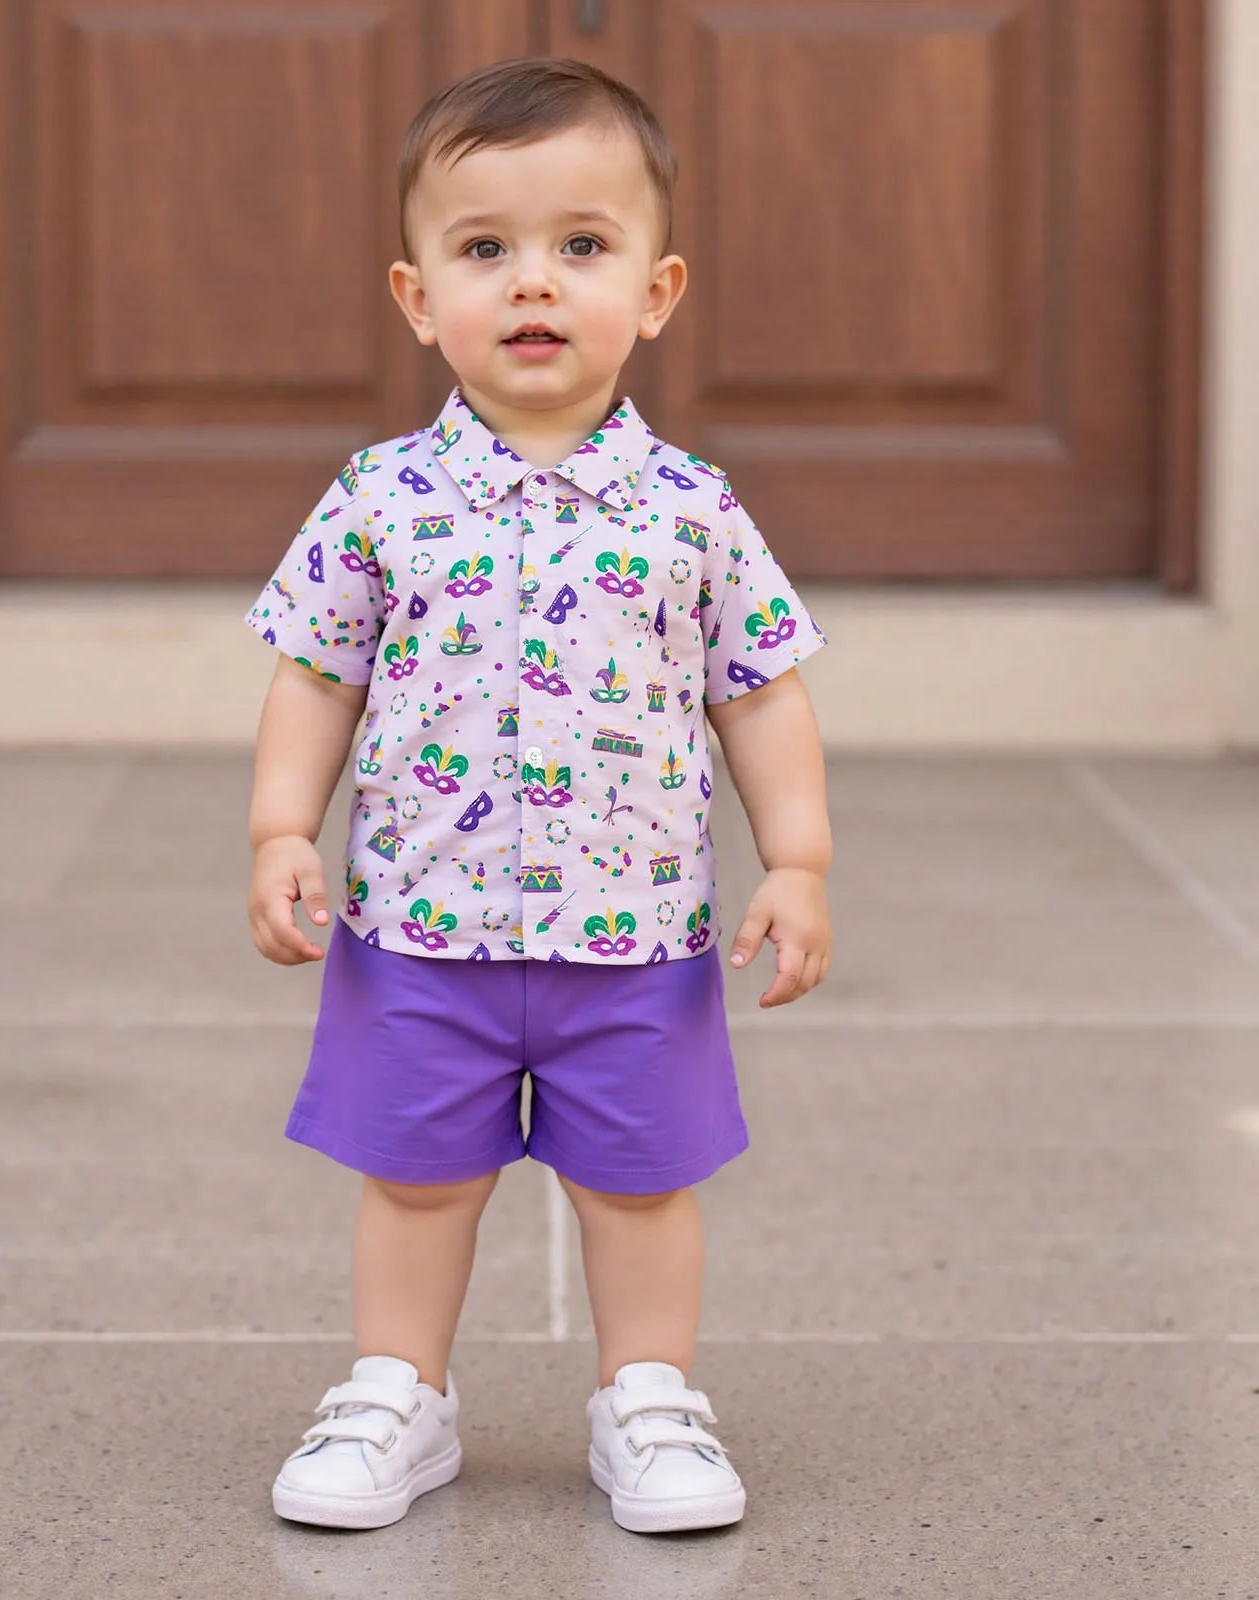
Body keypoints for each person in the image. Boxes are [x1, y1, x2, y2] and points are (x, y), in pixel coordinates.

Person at [245, 56, 832, 1535]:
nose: (532, 282)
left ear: (657, 291)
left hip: (634, 936)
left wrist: (799, 858)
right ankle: (398, 1390)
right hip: (420, 927)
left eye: (582, 245)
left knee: (640, 1183)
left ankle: (650, 1396)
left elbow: (759, 688)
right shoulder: (380, 497)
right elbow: (317, 675)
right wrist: (280, 828)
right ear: (415, 296)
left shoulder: (692, 509)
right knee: (415, 1178)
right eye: (483, 247)